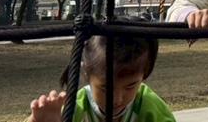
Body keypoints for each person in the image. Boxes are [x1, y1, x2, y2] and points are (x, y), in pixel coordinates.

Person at [26, 28, 175, 121]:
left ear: (144, 75)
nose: (117, 99)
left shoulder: (150, 109)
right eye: (105, 88)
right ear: (86, 73)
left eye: (130, 86)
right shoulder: (75, 109)